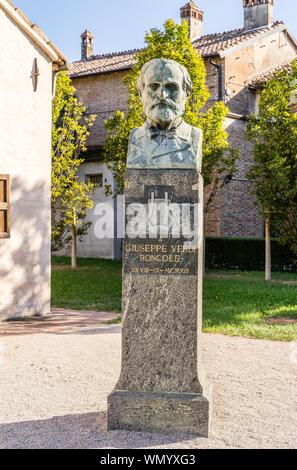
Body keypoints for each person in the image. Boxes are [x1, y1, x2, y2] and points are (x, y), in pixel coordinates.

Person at [127, 58, 202, 170]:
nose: (162, 95)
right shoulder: (134, 137)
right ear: (140, 93)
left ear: (185, 94)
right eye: (153, 86)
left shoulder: (194, 136)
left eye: (171, 87)